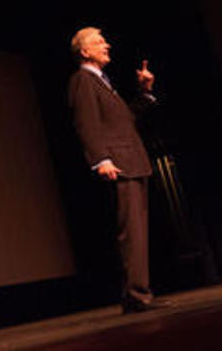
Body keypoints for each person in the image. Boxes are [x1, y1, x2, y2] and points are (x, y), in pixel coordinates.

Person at [68, 26, 168, 313]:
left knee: (138, 232)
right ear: (84, 51)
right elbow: (86, 123)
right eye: (99, 42)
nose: (107, 45)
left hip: (132, 161)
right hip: (118, 163)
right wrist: (101, 159)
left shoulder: (103, 81)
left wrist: (145, 92)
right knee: (131, 232)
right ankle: (137, 295)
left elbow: (125, 119)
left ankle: (136, 293)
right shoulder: (82, 80)